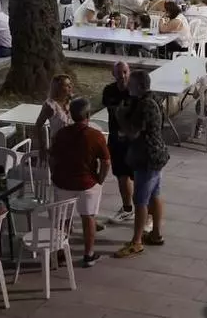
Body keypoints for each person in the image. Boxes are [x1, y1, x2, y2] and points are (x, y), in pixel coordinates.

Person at [113, 71, 169, 259]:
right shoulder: (154, 98)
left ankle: (136, 242)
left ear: (138, 85)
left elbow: (133, 132)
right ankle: (156, 234)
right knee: (155, 195)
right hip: (158, 153)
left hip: (146, 157)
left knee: (140, 201)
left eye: (130, 83)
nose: (127, 86)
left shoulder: (144, 105)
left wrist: (120, 116)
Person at [50, 97, 111, 267]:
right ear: (88, 115)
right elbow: (106, 161)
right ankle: (88, 254)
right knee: (88, 216)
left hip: (63, 181)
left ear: (70, 114)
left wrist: (54, 174)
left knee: (63, 219)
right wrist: (100, 179)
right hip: (86, 182)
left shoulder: (61, 134)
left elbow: (52, 157)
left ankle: (60, 253)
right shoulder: (95, 135)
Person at [102, 62, 137, 225]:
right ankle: (127, 209)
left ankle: (147, 213)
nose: (122, 76)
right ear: (113, 74)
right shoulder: (109, 91)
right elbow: (112, 110)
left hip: (134, 141)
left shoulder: (135, 92)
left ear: (129, 72)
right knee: (121, 176)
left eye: (124, 72)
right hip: (116, 140)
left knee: (138, 177)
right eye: (118, 73)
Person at [34, 74, 75, 164]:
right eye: (66, 85)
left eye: (70, 84)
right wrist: (42, 147)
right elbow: (38, 126)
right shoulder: (50, 106)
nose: (70, 87)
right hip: (58, 147)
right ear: (57, 88)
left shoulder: (73, 102)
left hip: (74, 146)